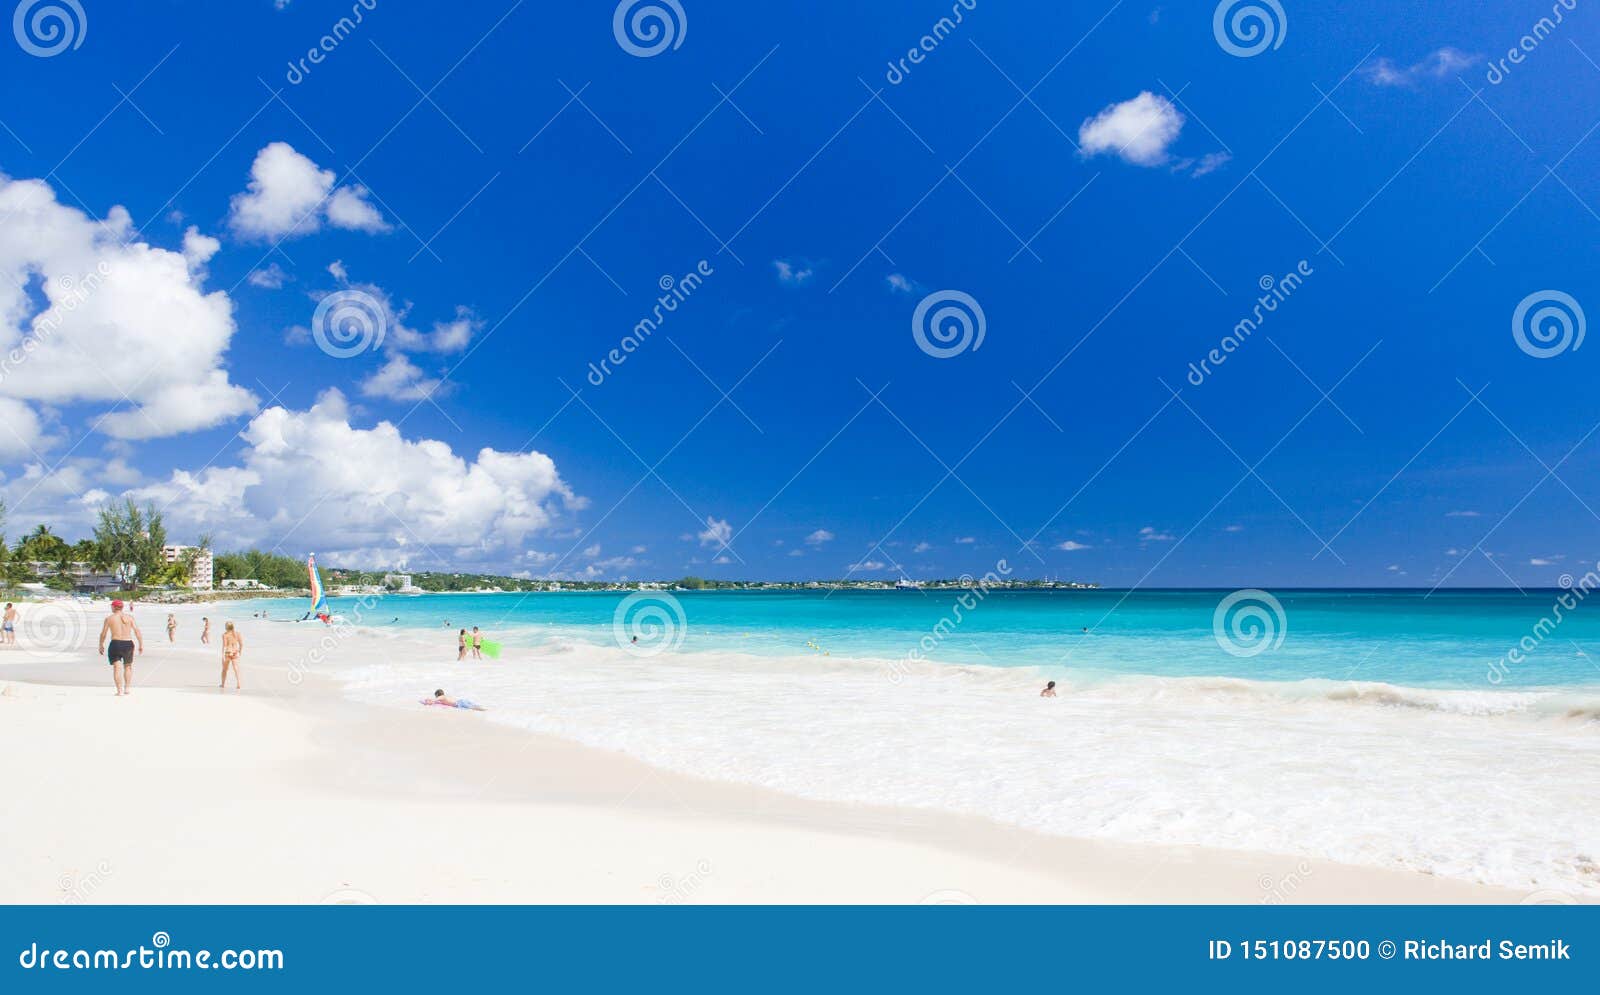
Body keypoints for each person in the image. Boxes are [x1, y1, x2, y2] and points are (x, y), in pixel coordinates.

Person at [97, 600, 143, 697]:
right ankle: (127, 688)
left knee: (117, 667)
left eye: (111, 606)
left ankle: (119, 691)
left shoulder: (109, 618)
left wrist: (101, 645)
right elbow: (137, 631)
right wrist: (140, 644)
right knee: (128, 666)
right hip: (128, 643)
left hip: (116, 643)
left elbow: (103, 633)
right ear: (122, 607)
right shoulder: (130, 618)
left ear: (113, 607)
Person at [220, 622, 243, 690]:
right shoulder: (238, 634)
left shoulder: (225, 635)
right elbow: (241, 644)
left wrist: (222, 656)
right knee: (236, 669)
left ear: (226, 627)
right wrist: (240, 652)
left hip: (228, 652)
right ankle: (238, 683)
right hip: (235, 652)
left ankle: (223, 684)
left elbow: (224, 646)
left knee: (224, 670)